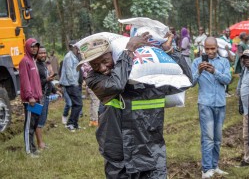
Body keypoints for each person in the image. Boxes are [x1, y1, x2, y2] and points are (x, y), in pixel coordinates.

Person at [81, 33, 192, 178]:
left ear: (114, 55)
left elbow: (185, 81)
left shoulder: (150, 74)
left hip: (150, 151)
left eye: (105, 61)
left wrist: (170, 51)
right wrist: (129, 51)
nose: (102, 68)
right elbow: (116, 85)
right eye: (95, 65)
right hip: (119, 155)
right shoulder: (94, 79)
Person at [191, 37, 231, 179]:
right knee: (208, 138)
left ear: (217, 47)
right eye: (207, 49)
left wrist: (215, 72)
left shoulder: (224, 62)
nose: (210, 51)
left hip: (220, 103)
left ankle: (215, 166)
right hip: (205, 104)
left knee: (218, 138)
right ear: (203, 48)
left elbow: (227, 80)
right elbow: (191, 83)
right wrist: (199, 72)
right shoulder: (196, 62)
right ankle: (206, 169)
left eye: (212, 48)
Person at [19, 38, 42, 157]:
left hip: (36, 99)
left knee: (33, 125)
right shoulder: (24, 61)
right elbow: (25, 81)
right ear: (27, 47)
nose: (34, 48)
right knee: (29, 126)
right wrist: (30, 96)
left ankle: (33, 149)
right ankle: (28, 151)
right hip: (30, 100)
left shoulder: (33, 61)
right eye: (32, 46)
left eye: (36, 46)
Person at [35, 46, 61, 149]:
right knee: (39, 120)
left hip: (45, 96)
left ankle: (40, 143)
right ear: (36, 54)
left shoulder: (43, 65)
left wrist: (55, 90)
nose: (43, 55)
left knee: (42, 119)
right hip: (38, 97)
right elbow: (36, 83)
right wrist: (47, 79)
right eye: (41, 53)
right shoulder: (35, 66)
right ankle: (40, 144)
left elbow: (48, 81)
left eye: (44, 53)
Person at [59, 40, 83, 132]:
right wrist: (75, 83)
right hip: (71, 84)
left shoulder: (74, 56)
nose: (78, 49)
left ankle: (75, 124)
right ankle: (70, 123)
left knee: (77, 104)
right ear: (73, 47)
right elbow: (69, 72)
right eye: (76, 47)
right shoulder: (69, 57)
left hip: (73, 83)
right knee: (78, 104)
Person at [81, 62, 100, 127]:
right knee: (95, 103)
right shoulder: (93, 65)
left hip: (89, 84)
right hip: (93, 85)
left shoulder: (85, 65)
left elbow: (84, 75)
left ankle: (92, 120)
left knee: (93, 103)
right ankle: (95, 121)